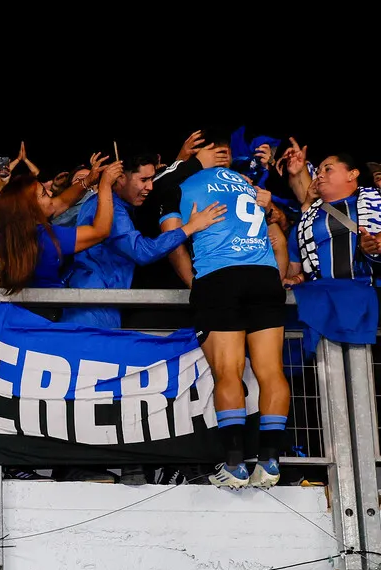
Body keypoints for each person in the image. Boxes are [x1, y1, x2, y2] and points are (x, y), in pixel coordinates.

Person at [155, 143, 292, 489]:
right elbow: (277, 233)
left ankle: (234, 464)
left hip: (219, 278)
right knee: (271, 371)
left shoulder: (179, 186)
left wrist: (193, 282)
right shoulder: (247, 183)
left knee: (228, 372)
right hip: (263, 275)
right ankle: (270, 461)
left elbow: (171, 238)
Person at [63, 153, 224, 329]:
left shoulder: (116, 204)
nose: (150, 187)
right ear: (121, 178)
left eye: (152, 179)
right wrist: (190, 227)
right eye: (144, 179)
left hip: (101, 302)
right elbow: (142, 251)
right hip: (92, 307)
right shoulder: (109, 208)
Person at [0, 158, 121, 293]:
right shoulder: (46, 238)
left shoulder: (16, 234)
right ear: (31, 209)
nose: (50, 195)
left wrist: (87, 181)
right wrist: (105, 185)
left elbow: (62, 201)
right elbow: (100, 231)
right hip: (49, 308)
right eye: (44, 194)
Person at [290, 152, 381, 284]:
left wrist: (376, 244)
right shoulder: (305, 222)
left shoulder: (374, 201)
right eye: (318, 171)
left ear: (352, 174)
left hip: (370, 294)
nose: (320, 175)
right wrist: (295, 279)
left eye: (328, 169)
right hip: (324, 297)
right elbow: (294, 264)